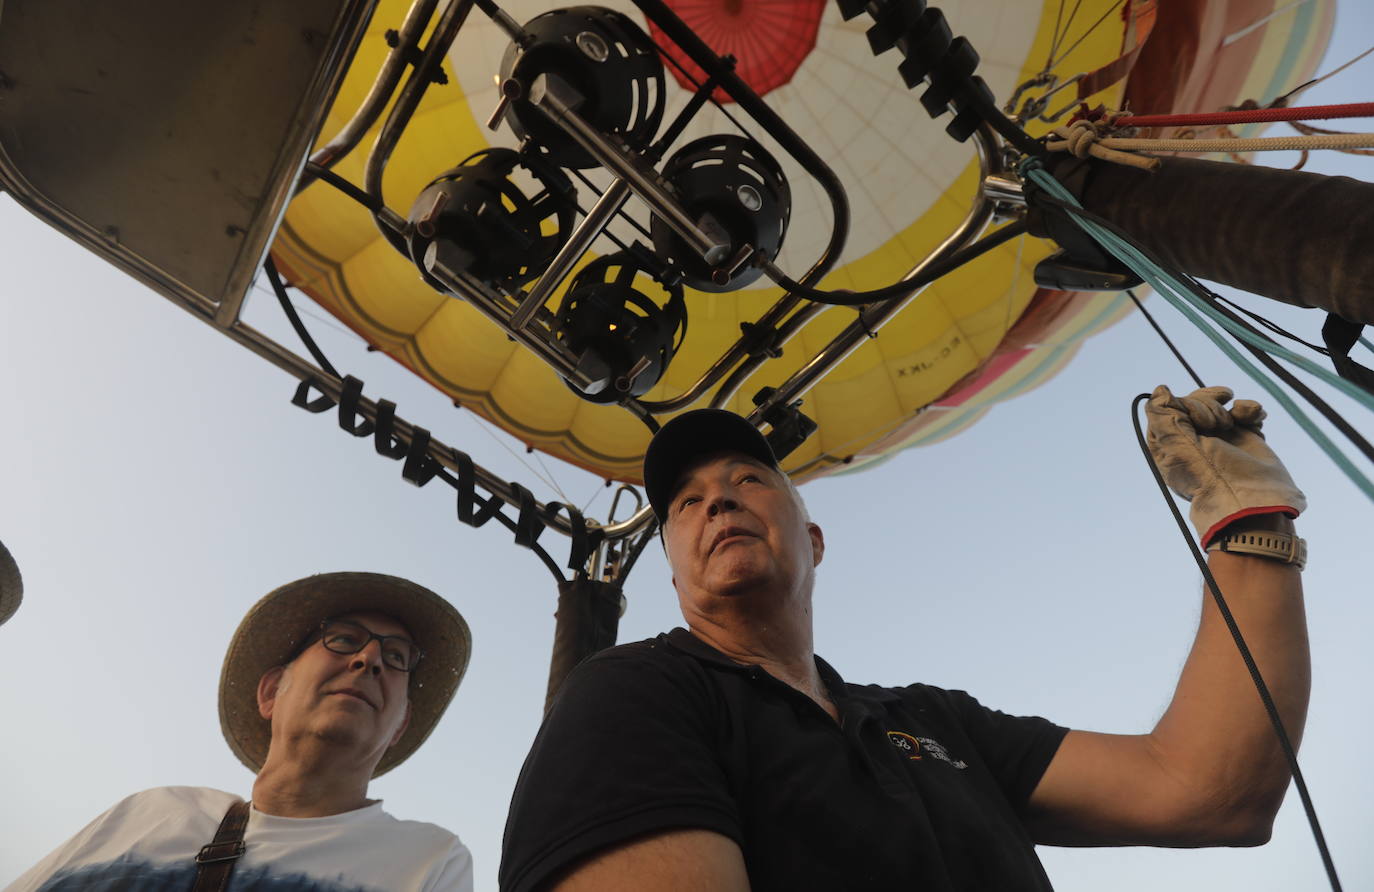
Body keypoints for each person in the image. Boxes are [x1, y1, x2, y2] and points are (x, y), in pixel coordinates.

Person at [500, 385, 1311, 891]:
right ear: (674, 578)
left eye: (749, 480)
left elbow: (1207, 788)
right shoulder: (635, 693)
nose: (718, 501)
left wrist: (1250, 528)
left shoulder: (930, 722)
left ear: (814, 542)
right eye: (687, 502)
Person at [9, 571, 476, 891]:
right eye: (345, 639)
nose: (369, 659)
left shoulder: (429, 861)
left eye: (396, 657)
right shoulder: (151, 813)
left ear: (400, 726)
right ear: (272, 691)